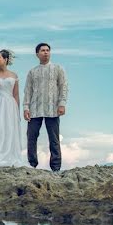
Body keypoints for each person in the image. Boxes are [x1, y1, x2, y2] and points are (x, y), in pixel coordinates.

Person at [23, 43, 69, 172]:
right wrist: (26, 108)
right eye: (42, 50)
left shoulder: (58, 68)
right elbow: (28, 91)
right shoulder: (32, 72)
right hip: (34, 109)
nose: (46, 52)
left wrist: (62, 104)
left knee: (54, 139)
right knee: (31, 137)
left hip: (53, 109)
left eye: (48, 50)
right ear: (37, 54)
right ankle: (32, 164)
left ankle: (55, 167)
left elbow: (63, 87)